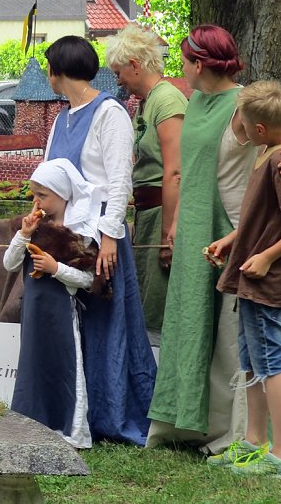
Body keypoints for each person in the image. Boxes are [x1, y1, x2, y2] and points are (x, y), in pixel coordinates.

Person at [146, 25, 281, 454]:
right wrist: (176, 221)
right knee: (188, 325)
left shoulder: (242, 102)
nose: (179, 69)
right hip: (194, 227)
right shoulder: (196, 100)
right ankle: (184, 425)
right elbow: (188, 167)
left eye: (184, 61)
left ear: (200, 63)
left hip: (232, 224)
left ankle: (235, 433)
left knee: (227, 334)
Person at [43, 35, 157, 445]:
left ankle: (113, 416)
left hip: (100, 237)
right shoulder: (61, 118)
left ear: (57, 71)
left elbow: (118, 179)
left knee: (109, 326)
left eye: (49, 69)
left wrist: (110, 238)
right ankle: (73, 413)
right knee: (70, 328)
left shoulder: (110, 113)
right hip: (65, 237)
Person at [206, 80, 281, 477]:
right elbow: (263, 217)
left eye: (239, 122)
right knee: (253, 363)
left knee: (272, 364)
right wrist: (232, 240)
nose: (236, 128)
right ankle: (255, 443)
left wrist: (268, 257)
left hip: (268, 281)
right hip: (248, 276)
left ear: (257, 130)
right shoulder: (265, 153)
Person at [4, 159, 107, 448]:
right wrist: (23, 234)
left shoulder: (79, 234)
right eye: (34, 195)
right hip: (34, 313)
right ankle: (31, 422)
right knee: (33, 366)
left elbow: (88, 280)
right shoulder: (34, 229)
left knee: (63, 365)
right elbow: (9, 264)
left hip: (61, 313)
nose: (37, 202)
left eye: (43, 196)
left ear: (63, 194)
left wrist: (55, 268)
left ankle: (70, 429)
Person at [106, 25, 187, 345]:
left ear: (135, 64)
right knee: (148, 297)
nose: (118, 80)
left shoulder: (167, 100)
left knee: (159, 300)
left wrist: (169, 233)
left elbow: (176, 172)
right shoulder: (146, 102)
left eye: (118, 72)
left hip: (162, 213)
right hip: (149, 213)